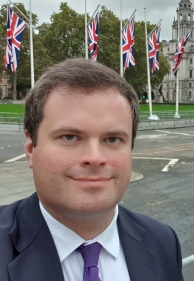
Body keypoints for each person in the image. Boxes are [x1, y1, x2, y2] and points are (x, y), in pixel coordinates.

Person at [0, 58, 183, 281]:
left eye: (113, 139)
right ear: (31, 148)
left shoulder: (163, 241)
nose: (95, 158)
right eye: (70, 137)